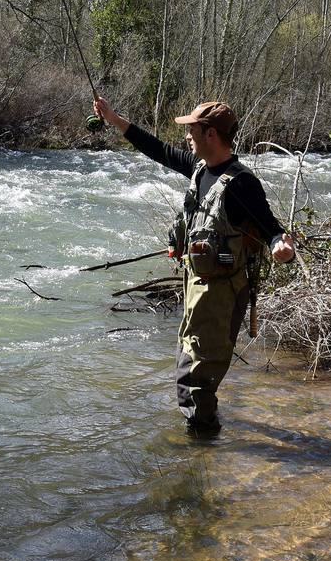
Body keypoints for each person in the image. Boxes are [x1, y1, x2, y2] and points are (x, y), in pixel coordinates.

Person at [93, 97, 296, 435]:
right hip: (196, 288)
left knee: (194, 377)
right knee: (187, 366)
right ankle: (205, 438)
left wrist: (281, 247)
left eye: (192, 130)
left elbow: (271, 227)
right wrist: (115, 119)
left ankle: (202, 446)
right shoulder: (201, 168)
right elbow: (157, 150)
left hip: (221, 296)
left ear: (211, 134)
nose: (187, 136)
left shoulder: (242, 183)